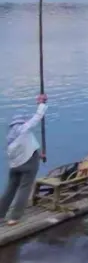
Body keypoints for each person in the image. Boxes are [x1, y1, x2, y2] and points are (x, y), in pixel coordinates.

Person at [2, 93, 48, 226]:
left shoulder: (10, 136)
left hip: (15, 166)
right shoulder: (24, 129)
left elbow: (24, 148)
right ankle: (14, 218)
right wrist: (41, 103)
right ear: (22, 122)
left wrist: (40, 155)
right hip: (29, 164)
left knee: (10, 189)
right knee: (24, 188)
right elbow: (37, 117)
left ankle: (0, 214)